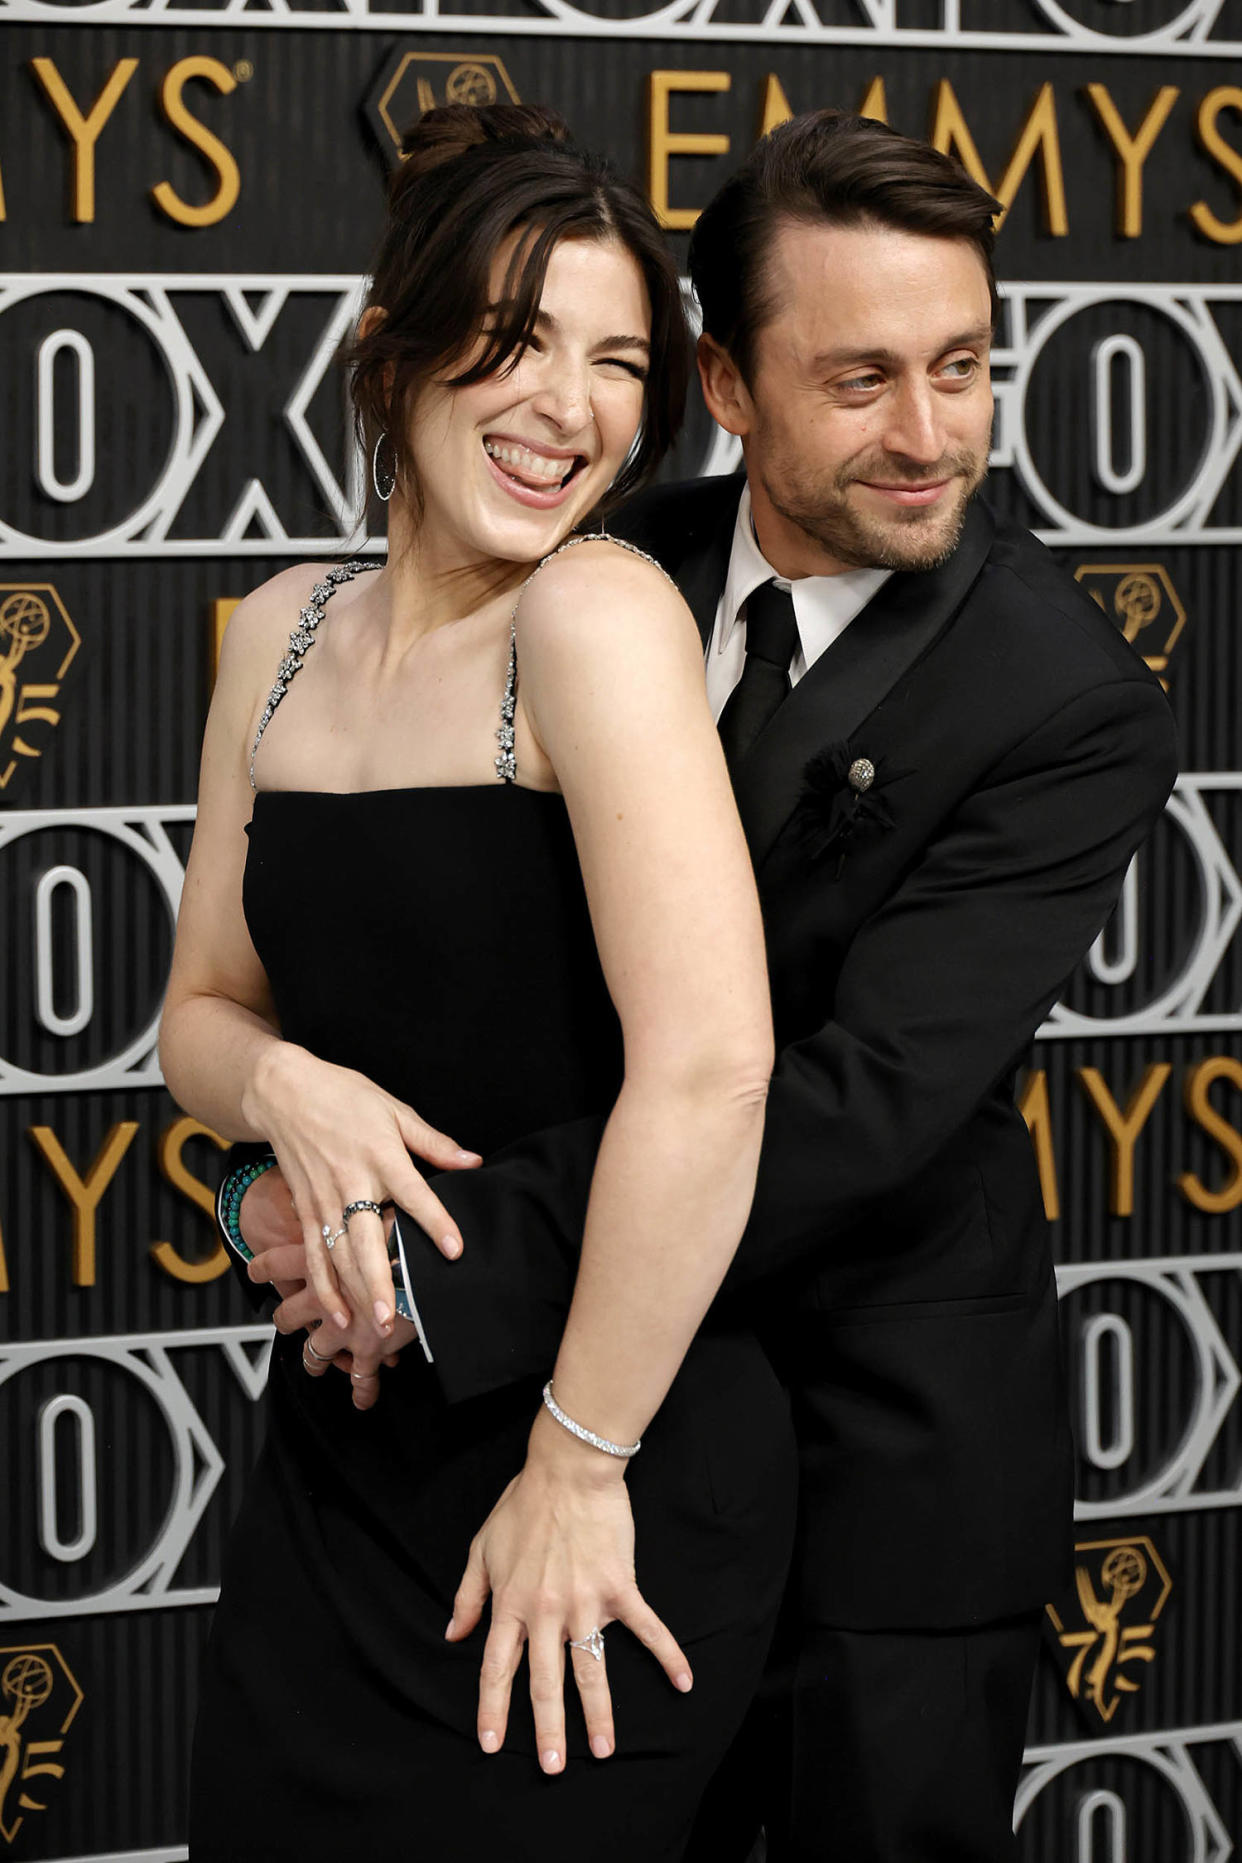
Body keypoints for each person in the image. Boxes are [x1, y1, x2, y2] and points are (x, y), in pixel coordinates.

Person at [234, 111, 1180, 1859]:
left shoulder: (1066, 702)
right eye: (860, 378)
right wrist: (290, 1142)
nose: (927, 436)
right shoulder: (589, 553)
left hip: (866, 1485)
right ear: (726, 387)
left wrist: (438, 1266)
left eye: (964, 369)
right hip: (520, 1448)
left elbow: (855, 1099)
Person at [161, 103, 798, 1862]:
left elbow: (712, 1073)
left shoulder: (592, 623)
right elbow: (202, 1016)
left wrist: (580, 1466)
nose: (569, 409)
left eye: (614, 362)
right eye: (514, 342)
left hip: (602, 1456)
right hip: (343, 1458)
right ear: (391, 351)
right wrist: (287, 1096)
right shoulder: (274, 630)